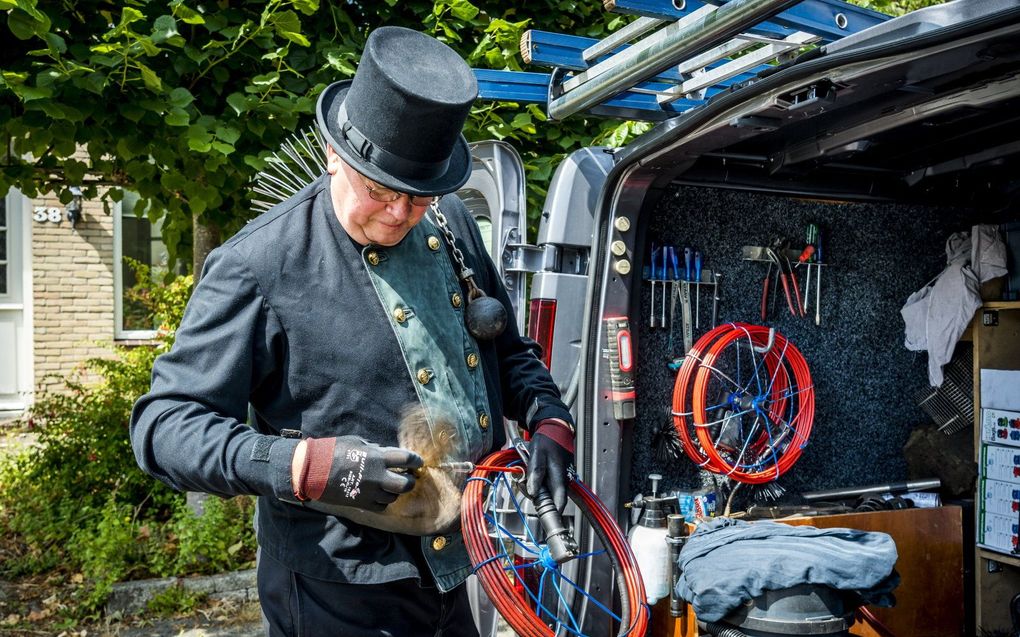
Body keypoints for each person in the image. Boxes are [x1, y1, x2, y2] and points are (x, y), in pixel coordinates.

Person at [129, 26, 575, 637]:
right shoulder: (257, 266)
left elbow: (508, 353)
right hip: (336, 589)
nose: (399, 216)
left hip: (458, 563)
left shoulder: (451, 228)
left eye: (418, 199)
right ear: (335, 155)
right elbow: (164, 427)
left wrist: (550, 419)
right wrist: (304, 465)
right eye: (381, 192)